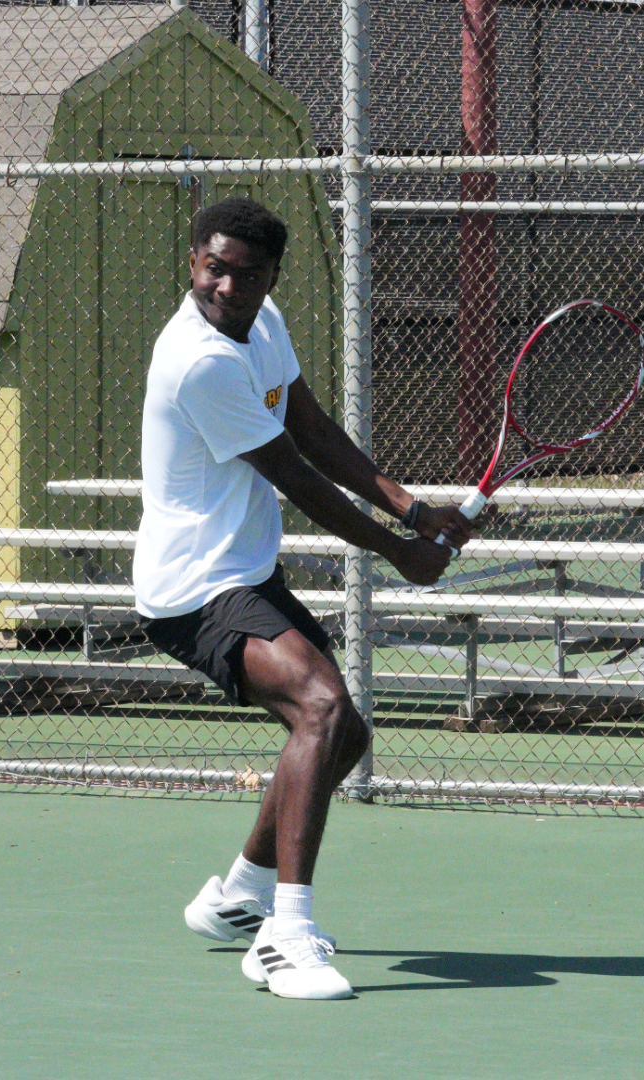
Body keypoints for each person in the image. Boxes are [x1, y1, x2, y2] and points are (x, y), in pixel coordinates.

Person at [141, 199, 476, 1000]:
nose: (223, 283)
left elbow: (311, 425)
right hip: (192, 589)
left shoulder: (262, 326)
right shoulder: (199, 361)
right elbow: (295, 475)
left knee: (343, 733)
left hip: (243, 573)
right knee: (321, 707)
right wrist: (401, 553)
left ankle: (237, 899)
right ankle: (284, 937)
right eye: (212, 266)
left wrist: (410, 508)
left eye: (244, 273)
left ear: (269, 279)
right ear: (193, 261)